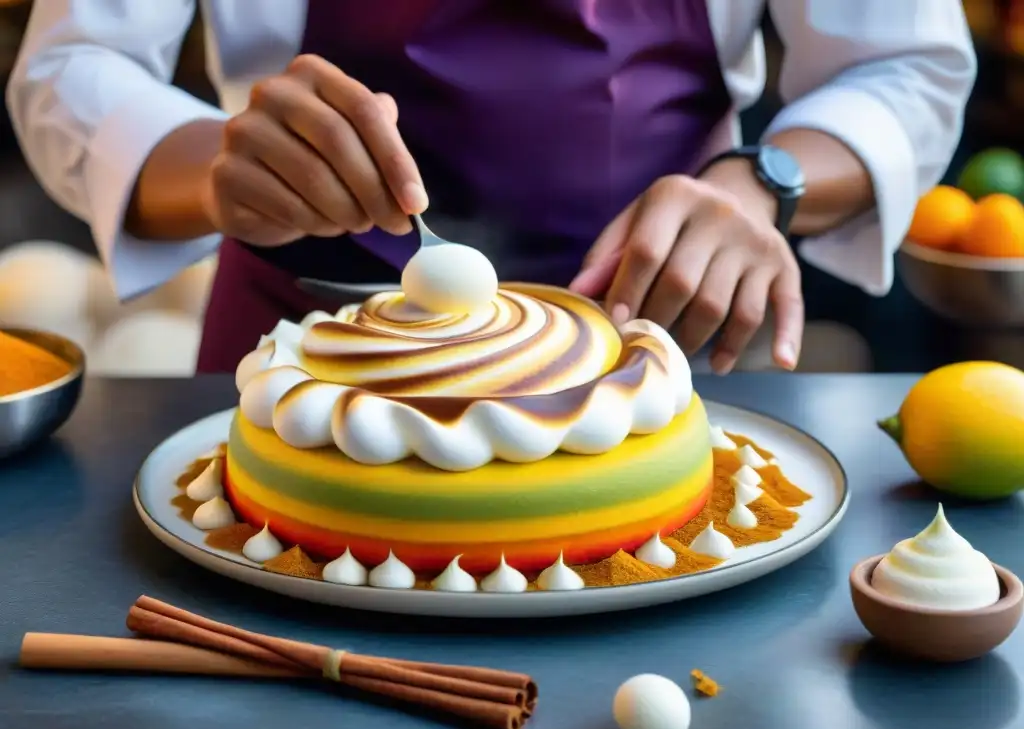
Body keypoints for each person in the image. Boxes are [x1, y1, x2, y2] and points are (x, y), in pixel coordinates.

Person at [7, 1, 975, 375]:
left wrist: (758, 184)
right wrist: (218, 165)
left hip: (651, 360)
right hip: (294, 366)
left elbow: (907, 68)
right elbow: (72, 67)